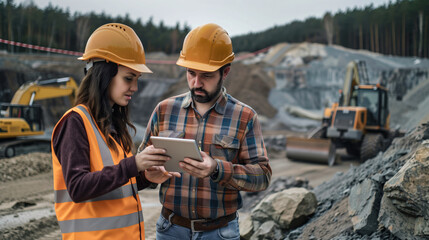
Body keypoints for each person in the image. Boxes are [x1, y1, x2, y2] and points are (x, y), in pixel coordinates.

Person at [138, 23, 272, 239]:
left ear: (225, 72)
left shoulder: (244, 117)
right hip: (170, 230)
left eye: (206, 75)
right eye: (191, 73)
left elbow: (263, 176)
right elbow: (141, 166)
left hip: (219, 232)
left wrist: (217, 169)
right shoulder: (163, 110)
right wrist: (149, 173)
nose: (196, 83)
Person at [51, 23, 177, 240]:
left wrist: (146, 177)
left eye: (137, 79)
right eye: (128, 78)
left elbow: (116, 185)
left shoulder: (112, 126)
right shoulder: (75, 122)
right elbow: (78, 188)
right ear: (104, 74)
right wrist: (134, 164)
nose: (135, 88)